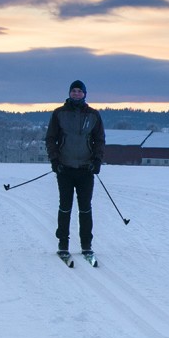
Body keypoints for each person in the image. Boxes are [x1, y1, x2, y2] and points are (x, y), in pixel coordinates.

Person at [45, 79, 105, 263]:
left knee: (85, 208)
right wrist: (55, 160)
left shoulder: (93, 115)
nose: (76, 94)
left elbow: (99, 140)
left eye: (79, 91)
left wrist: (97, 161)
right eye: (74, 91)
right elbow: (51, 138)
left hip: (86, 170)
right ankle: (63, 244)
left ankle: (86, 245)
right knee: (65, 207)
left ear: (84, 94)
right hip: (65, 168)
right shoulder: (59, 114)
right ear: (69, 93)